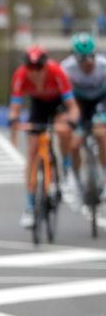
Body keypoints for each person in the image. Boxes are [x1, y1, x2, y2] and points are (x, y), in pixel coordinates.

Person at [8, 45, 80, 227]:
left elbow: (73, 106)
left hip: (59, 104)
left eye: (39, 67)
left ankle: (66, 170)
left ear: (46, 65)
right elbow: (14, 109)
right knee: (31, 153)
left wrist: (71, 121)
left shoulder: (56, 72)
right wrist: (13, 121)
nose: (35, 72)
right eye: (31, 68)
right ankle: (30, 207)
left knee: (63, 130)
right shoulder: (21, 75)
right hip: (38, 106)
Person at [60, 33, 106, 195]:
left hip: (100, 100)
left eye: (91, 57)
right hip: (79, 103)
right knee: (74, 141)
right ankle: (76, 178)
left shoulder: (103, 65)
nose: (88, 62)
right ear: (75, 58)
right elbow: (65, 98)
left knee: (102, 134)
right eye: (82, 59)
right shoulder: (65, 68)